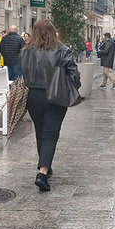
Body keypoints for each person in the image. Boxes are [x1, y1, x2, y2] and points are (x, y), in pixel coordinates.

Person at [20, 19, 81, 192]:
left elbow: (23, 72)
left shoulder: (25, 51)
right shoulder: (62, 50)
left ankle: (45, 164)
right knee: (50, 134)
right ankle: (43, 173)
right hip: (55, 94)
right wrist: (73, 85)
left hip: (33, 95)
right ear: (53, 32)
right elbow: (73, 74)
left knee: (40, 131)